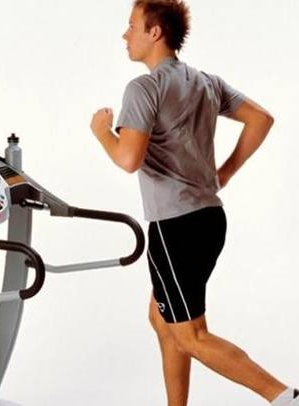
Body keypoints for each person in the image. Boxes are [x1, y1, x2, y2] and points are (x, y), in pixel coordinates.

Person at [89, 1, 298, 405]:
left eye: (132, 26)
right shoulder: (205, 82)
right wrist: (225, 174)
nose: (125, 35)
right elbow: (261, 119)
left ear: (155, 33)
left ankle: (284, 397)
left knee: (192, 335)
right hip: (209, 220)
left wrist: (101, 131)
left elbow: (128, 159)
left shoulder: (144, 88)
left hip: (174, 226)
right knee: (162, 318)